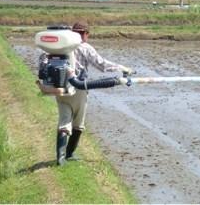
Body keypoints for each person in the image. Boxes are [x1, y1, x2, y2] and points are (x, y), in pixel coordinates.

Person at [41, 22, 132, 166]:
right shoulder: (85, 47)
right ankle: (69, 154)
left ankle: (60, 157)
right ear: (85, 34)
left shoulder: (57, 48)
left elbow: (45, 64)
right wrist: (123, 69)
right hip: (79, 89)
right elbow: (102, 65)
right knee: (78, 123)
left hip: (60, 89)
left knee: (64, 120)